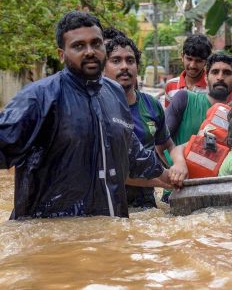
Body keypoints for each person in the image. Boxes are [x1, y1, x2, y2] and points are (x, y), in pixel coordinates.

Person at [0, 11, 170, 219]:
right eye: (78, 46)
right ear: (61, 54)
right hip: (53, 238)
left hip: (110, 231)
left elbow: (131, 151)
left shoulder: (114, 93)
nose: (90, 52)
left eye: (96, 44)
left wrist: (168, 176)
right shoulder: (39, 98)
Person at [104, 35, 187, 208]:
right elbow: (111, 169)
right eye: (116, 60)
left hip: (146, 204)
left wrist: (178, 164)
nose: (125, 66)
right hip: (110, 202)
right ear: (103, 68)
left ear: (137, 67)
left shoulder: (151, 105)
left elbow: (168, 145)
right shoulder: (98, 108)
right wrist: (162, 181)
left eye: (130, 60)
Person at [166, 53, 232, 146]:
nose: (220, 77)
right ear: (206, 78)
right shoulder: (185, 99)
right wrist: (176, 159)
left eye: (227, 73)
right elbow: (161, 140)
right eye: (215, 72)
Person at [164, 34, 212, 107]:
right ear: (182, 57)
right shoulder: (170, 85)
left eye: (198, 61)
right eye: (189, 59)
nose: (192, 65)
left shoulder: (212, 87)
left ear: (206, 61)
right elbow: (168, 116)